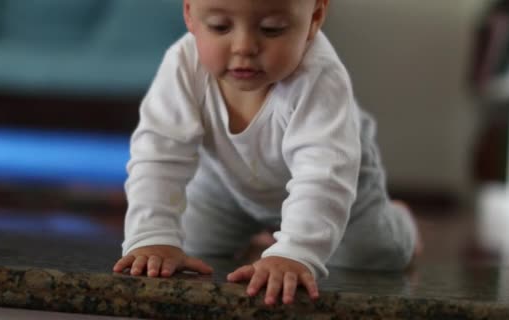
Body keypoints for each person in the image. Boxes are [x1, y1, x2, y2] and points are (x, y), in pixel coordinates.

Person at [113, 0, 420, 306]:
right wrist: (152, 236)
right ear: (190, 15)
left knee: (372, 254)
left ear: (315, 17)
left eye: (272, 29)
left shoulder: (320, 77)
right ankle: (270, 238)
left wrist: (294, 253)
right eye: (220, 26)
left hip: (342, 189)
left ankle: (400, 222)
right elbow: (157, 155)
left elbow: (322, 176)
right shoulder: (183, 63)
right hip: (225, 186)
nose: (244, 47)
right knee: (191, 245)